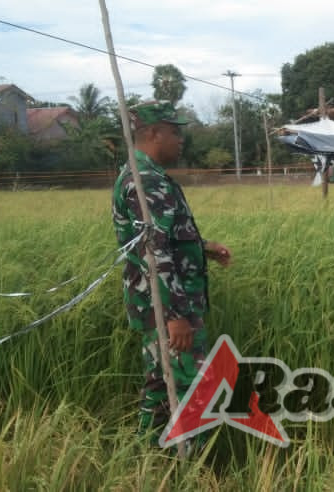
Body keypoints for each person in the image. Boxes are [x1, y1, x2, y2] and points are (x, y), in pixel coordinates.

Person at [111, 100, 232, 452]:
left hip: (161, 303)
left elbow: (161, 239)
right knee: (195, 385)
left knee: (161, 384)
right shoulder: (146, 181)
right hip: (168, 308)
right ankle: (194, 466)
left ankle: (147, 458)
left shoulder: (145, 175)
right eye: (175, 132)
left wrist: (203, 246)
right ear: (153, 133)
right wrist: (175, 316)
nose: (181, 140)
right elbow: (154, 251)